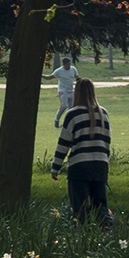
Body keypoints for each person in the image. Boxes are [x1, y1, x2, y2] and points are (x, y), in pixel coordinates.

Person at [51, 77, 114, 227]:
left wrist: (56, 167)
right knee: (100, 205)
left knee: (80, 207)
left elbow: (63, 143)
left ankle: (82, 233)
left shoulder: (72, 114)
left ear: (77, 92)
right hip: (100, 164)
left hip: (79, 166)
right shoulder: (103, 113)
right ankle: (106, 230)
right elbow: (107, 142)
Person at [46, 56, 79, 127]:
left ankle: (66, 123)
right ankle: (57, 120)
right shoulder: (59, 71)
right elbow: (50, 77)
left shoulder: (73, 69)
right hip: (63, 91)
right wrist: (41, 75)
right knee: (64, 106)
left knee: (71, 109)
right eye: (67, 65)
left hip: (71, 91)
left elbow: (77, 78)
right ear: (63, 64)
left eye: (69, 64)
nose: (69, 66)